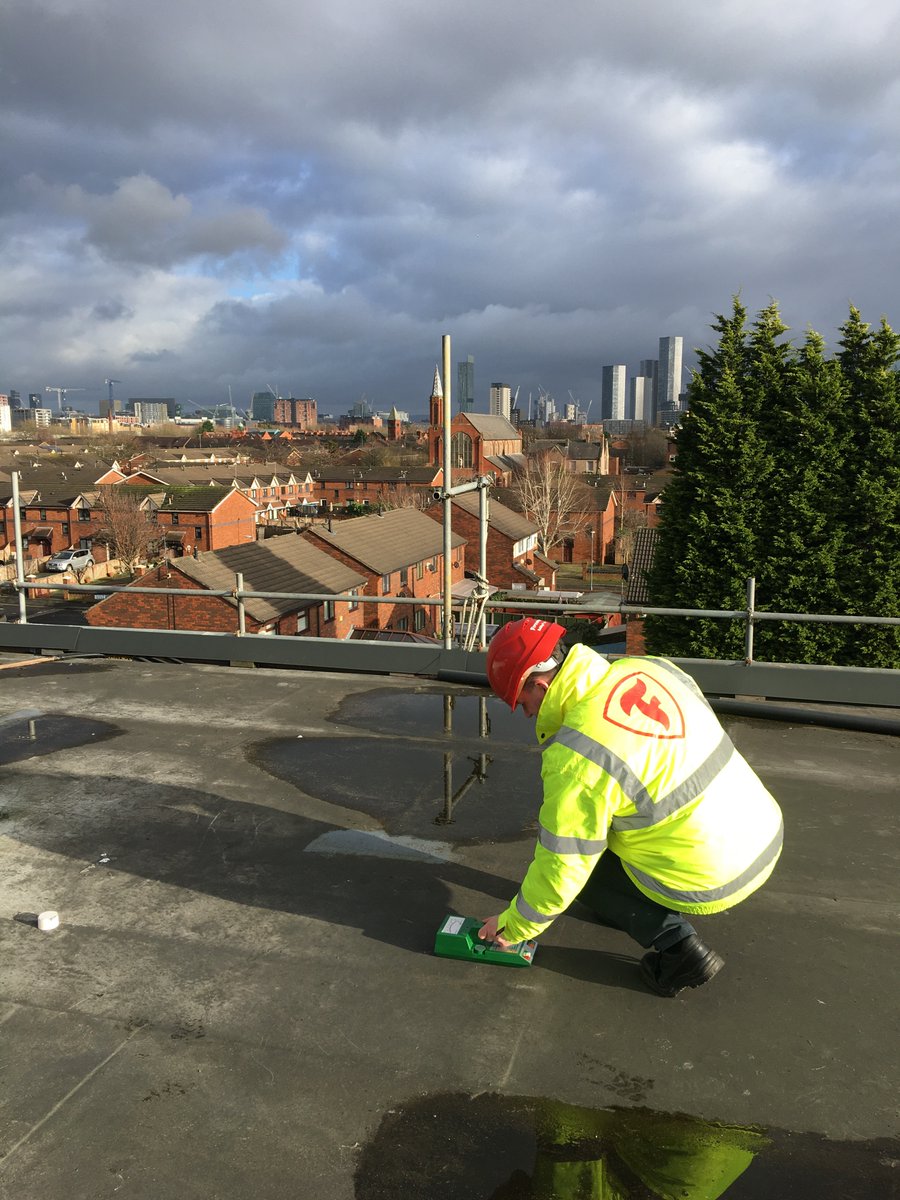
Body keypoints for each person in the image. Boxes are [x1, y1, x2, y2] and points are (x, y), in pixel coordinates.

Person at [479, 618, 784, 996]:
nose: (525, 715)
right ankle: (625, 903)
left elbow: (565, 863)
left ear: (541, 685)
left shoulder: (578, 753)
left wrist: (515, 926)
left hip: (716, 872)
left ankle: (678, 949)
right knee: (616, 815)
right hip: (759, 827)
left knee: (581, 863)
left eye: (522, 703)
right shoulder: (646, 667)